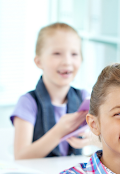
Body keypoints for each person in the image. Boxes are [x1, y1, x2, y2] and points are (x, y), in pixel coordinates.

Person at [11, 23, 98, 160]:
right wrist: (58, 132)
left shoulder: (84, 97)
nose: (67, 61)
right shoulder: (28, 102)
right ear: (38, 61)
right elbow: (21, 156)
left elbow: (106, 139)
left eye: (74, 54)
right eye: (57, 53)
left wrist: (91, 139)